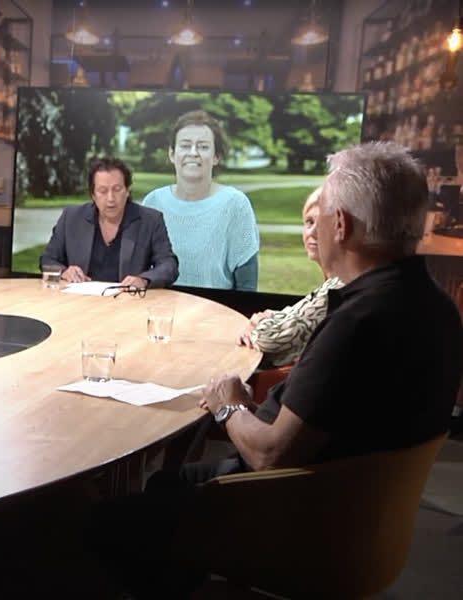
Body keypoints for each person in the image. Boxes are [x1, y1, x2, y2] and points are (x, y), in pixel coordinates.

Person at [90, 141, 463, 598]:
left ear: (341, 225)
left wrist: (229, 406)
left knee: (110, 522)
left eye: (320, 216)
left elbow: (271, 455)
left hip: (297, 518)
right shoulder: (436, 306)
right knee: (167, 484)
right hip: (360, 517)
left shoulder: (358, 323)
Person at [142, 110, 259, 291]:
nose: (193, 153)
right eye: (185, 145)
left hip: (214, 309)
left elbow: (247, 287)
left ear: (216, 156)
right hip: (159, 308)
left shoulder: (235, 204)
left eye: (203, 147)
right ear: (172, 154)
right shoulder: (152, 202)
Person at [238, 186, 344, 367]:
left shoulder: (340, 286)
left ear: (341, 228)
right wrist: (270, 317)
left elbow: (269, 339)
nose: (312, 232)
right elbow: (297, 316)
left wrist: (258, 322)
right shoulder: (334, 283)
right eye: (309, 222)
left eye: (323, 224)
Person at [39, 157, 178, 289]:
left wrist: (143, 280)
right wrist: (65, 272)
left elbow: (169, 265)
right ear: (93, 195)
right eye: (103, 191)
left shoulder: (150, 220)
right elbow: (48, 259)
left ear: (127, 191)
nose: (111, 198)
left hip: (127, 300)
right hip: (80, 299)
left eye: (117, 189)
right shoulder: (72, 217)